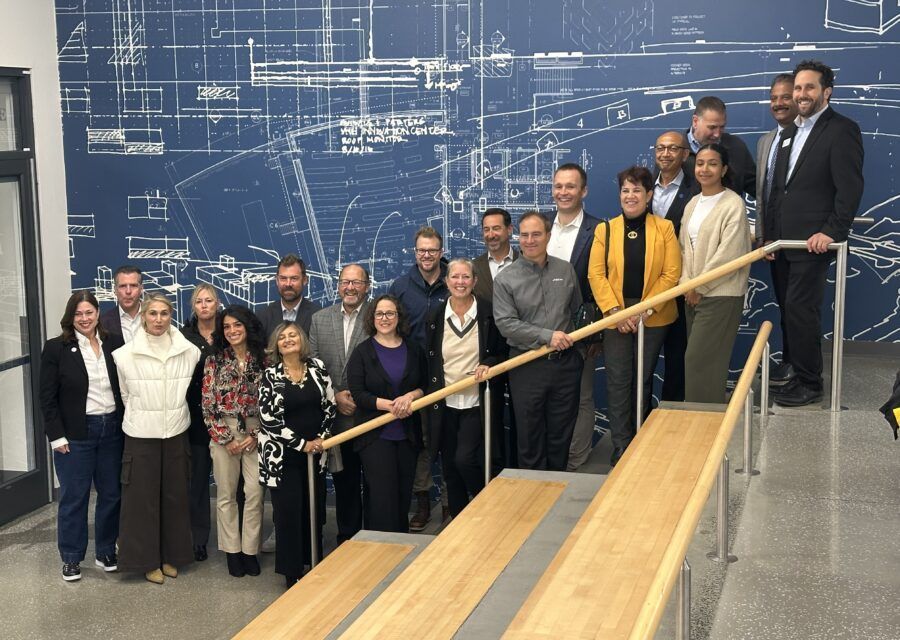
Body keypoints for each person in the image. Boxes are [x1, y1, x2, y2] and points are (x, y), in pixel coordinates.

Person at [763, 60, 864, 407]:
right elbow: (780, 190)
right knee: (789, 311)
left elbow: (849, 189)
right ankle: (796, 371)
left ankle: (810, 383)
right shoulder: (790, 132)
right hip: (784, 242)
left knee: (800, 309)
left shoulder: (842, 130)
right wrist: (771, 238)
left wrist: (832, 232)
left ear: (826, 92)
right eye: (798, 88)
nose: (801, 94)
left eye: (809, 88)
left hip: (813, 243)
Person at [588, 167, 681, 466]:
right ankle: (621, 445)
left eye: (637, 190)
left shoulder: (664, 228)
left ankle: (641, 441)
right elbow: (596, 274)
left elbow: (671, 273)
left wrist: (643, 309)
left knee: (641, 380)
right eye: (625, 191)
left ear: (649, 195)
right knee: (617, 381)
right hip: (614, 315)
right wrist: (615, 312)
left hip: (652, 314)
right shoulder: (605, 230)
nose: (631, 196)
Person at [112, 293, 201, 584]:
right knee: (141, 501)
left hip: (175, 431)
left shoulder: (188, 351)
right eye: (153, 314)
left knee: (175, 497)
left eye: (164, 314)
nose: (159, 319)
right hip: (141, 434)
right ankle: (146, 561)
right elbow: (126, 395)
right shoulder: (125, 355)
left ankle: (171, 556)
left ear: (170, 316)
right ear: (144, 316)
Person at [39, 290, 125, 582]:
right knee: (75, 498)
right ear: (70, 317)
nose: (84, 318)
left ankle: (105, 551)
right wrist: (56, 437)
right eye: (78, 314)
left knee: (112, 494)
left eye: (89, 312)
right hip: (76, 435)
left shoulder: (114, 342)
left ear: (98, 313)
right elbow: (47, 398)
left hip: (112, 429)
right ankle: (72, 558)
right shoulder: (56, 348)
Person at [493, 212, 583, 471]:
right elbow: (506, 324)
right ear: (517, 237)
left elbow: (576, 311)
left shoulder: (565, 270)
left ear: (548, 236)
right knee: (530, 437)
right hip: (527, 366)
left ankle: (556, 494)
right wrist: (548, 336)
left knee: (561, 435)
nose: (530, 240)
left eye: (536, 234)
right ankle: (533, 501)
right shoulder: (505, 279)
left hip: (566, 366)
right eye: (524, 235)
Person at [424, 258, 506, 517]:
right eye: (455, 277)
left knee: (465, 459)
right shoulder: (435, 316)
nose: (460, 282)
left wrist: (488, 363)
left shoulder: (488, 312)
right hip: (445, 404)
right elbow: (430, 358)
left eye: (465, 277)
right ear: (446, 281)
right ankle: (460, 519)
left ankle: (488, 503)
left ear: (475, 281)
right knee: (450, 468)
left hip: (475, 402)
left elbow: (501, 352)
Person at [257, 322, 336, 588]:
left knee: (313, 510)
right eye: (282, 337)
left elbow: (330, 406)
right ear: (276, 345)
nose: (288, 340)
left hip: (316, 454)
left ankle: (312, 562)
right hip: (283, 458)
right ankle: (292, 573)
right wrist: (301, 444)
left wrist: (321, 439)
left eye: (293, 335)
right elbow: (269, 419)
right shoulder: (270, 375)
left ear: (301, 340)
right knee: (288, 513)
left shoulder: (318, 368)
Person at [346, 295, 428, 532]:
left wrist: (410, 397)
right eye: (379, 314)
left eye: (390, 313)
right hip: (375, 436)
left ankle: (400, 551)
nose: (385, 318)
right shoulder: (362, 352)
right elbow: (359, 394)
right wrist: (390, 405)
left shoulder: (414, 349)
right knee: (382, 499)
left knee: (402, 497)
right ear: (372, 318)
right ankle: (379, 553)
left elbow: (425, 385)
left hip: (407, 436)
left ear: (398, 317)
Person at [680, 144, 752, 404]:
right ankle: (698, 422)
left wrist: (698, 287)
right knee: (700, 362)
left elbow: (729, 255)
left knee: (700, 360)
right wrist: (688, 285)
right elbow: (684, 250)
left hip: (721, 295)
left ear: (723, 169)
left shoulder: (733, 204)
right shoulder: (692, 204)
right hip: (692, 294)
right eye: (700, 163)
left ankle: (706, 428)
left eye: (712, 163)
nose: (705, 169)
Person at [388, 226, 448, 530]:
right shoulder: (401, 286)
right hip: (413, 378)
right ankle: (423, 504)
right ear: (415, 253)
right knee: (421, 442)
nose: (427, 255)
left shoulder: (455, 281)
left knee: (450, 440)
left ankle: (452, 503)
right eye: (421, 250)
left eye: (432, 250)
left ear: (441, 251)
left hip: (451, 374)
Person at [202, 305, 268, 578]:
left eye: (236, 325)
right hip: (223, 432)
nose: (232, 331)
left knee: (254, 493)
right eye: (226, 327)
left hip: (256, 433)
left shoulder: (265, 359)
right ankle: (232, 552)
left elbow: (273, 401)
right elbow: (207, 404)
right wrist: (226, 439)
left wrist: (255, 434)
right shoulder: (214, 360)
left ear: (247, 326)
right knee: (227, 495)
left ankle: (250, 550)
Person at [308, 264, 371, 544]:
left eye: (357, 282)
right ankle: (347, 537)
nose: (350, 287)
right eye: (345, 282)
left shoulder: (378, 316)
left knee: (373, 480)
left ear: (367, 287)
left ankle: (373, 534)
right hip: (336, 416)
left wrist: (357, 396)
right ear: (338, 285)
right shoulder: (320, 319)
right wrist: (336, 395)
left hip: (369, 414)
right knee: (344, 481)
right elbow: (314, 365)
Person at [546, 163, 602, 472]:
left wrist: (596, 334)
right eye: (558, 186)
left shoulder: (599, 229)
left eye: (570, 186)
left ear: (583, 191)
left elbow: (602, 284)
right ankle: (550, 462)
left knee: (581, 398)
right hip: (540, 333)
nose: (563, 192)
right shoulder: (539, 226)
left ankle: (575, 463)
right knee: (545, 399)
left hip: (580, 333)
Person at [472, 208, 518, 468]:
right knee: (491, 418)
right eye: (487, 229)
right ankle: (497, 475)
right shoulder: (474, 269)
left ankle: (523, 473)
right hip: (489, 355)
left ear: (509, 230)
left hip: (523, 351)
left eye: (496, 228)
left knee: (523, 418)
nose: (491, 234)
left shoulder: (526, 261)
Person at [652, 131, 694, 402]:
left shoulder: (696, 189)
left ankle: (672, 410)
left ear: (685, 154)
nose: (666, 153)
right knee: (643, 359)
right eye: (661, 148)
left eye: (673, 148)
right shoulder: (643, 187)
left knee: (678, 354)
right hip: (646, 284)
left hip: (680, 284)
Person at [180, 283, 219, 562]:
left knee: (233, 484)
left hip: (229, 418)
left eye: (209, 300)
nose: (204, 305)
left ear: (217, 303)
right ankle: (198, 539)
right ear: (193, 307)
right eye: (199, 302)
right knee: (197, 483)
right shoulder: (183, 337)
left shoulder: (230, 331)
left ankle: (237, 539)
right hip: (195, 419)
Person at [684, 96, 756, 199]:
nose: (717, 134)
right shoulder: (673, 150)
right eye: (712, 127)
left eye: (722, 127)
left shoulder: (736, 147)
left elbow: (756, 187)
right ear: (695, 122)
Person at [258, 254, 321, 339]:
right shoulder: (263, 316)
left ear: (305, 280)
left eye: (294, 278)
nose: (288, 284)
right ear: (277, 280)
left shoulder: (318, 316)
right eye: (283, 278)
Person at [100, 265, 143, 342]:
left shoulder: (156, 317)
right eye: (123, 286)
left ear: (141, 289)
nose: (128, 291)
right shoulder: (103, 324)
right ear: (115, 290)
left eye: (133, 285)